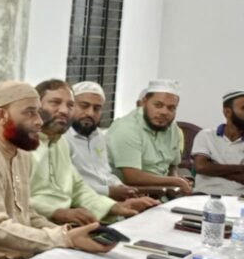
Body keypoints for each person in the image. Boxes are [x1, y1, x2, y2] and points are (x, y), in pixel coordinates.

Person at [0, 80, 115, 259]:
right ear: (2, 116)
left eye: (39, 113)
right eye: (30, 113)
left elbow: (26, 213)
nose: (39, 121)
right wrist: (62, 238)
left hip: (26, 253)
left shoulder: (20, 153)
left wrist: (67, 233)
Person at [30, 79, 157, 226]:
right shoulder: (21, 147)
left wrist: (114, 207)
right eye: (55, 102)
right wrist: (58, 212)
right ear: (35, 107)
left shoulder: (59, 143)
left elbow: (78, 188)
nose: (64, 110)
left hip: (66, 223)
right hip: (33, 226)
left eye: (70, 105)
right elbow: (14, 201)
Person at [106, 79, 191, 195]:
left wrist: (177, 184)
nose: (164, 112)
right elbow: (132, 177)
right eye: (158, 105)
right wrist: (175, 182)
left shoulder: (173, 129)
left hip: (164, 194)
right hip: (130, 196)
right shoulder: (127, 128)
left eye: (171, 108)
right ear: (144, 102)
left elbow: (172, 166)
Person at [67, 81, 145, 200]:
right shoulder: (62, 138)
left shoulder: (98, 135)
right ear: (70, 106)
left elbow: (105, 174)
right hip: (82, 203)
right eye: (84, 106)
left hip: (107, 200)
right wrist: (108, 191)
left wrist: (123, 188)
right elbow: (68, 185)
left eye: (97, 108)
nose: (90, 113)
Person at [192, 89, 244, 196]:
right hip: (203, 196)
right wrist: (240, 169)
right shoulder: (206, 135)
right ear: (227, 112)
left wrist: (212, 168)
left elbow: (205, 168)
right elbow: (201, 167)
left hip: (239, 199)